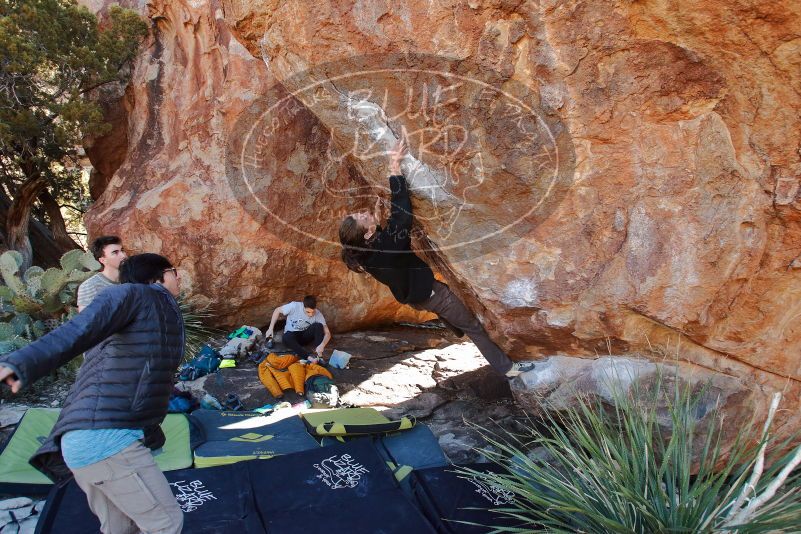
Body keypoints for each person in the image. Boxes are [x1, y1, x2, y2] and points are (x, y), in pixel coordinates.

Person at [0, 253, 185, 534]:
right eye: (173, 271)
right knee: (166, 524)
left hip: (88, 442)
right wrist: (20, 363)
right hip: (105, 441)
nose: (179, 276)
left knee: (120, 527)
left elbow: (138, 381)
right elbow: (78, 328)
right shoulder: (136, 294)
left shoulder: (150, 312)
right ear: (157, 278)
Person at [338, 138, 534, 378]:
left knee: (447, 311)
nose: (365, 212)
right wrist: (394, 170)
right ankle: (509, 369)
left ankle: (453, 325)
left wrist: (377, 222)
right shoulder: (385, 248)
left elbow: (387, 239)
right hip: (432, 294)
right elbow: (402, 216)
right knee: (474, 327)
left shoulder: (363, 254)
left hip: (415, 296)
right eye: (363, 217)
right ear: (367, 233)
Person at [265, 295, 331, 361]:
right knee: (286, 336)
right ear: (303, 306)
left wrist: (322, 344)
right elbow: (277, 310)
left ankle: (319, 355)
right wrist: (270, 328)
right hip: (291, 337)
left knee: (318, 326)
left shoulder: (318, 314)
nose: (310, 315)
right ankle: (308, 357)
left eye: (313, 312)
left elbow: (327, 333)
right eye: (308, 312)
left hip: (304, 337)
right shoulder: (294, 306)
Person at [77, 235, 127, 312]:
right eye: (115, 252)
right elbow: (86, 321)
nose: (123, 255)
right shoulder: (90, 286)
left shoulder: (132, 278)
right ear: (102, 260)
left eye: (122, 250)